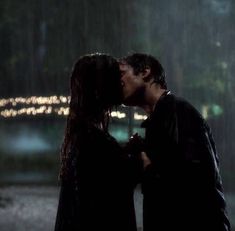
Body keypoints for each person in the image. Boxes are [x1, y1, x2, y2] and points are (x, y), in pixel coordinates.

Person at [119, 53, 231, 231]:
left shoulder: (179, 112)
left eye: (122, 73)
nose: (119, 81)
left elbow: (197, 181)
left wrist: (148, 167)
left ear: (145, 72)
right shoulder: (164, 115)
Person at [54, 53, 141, 231]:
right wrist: (135, 160)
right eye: (116, 77)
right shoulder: (94, 141)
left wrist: (126, 154)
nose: (122, 81)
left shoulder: (84, 136)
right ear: (101, 87)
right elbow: (114, 188)